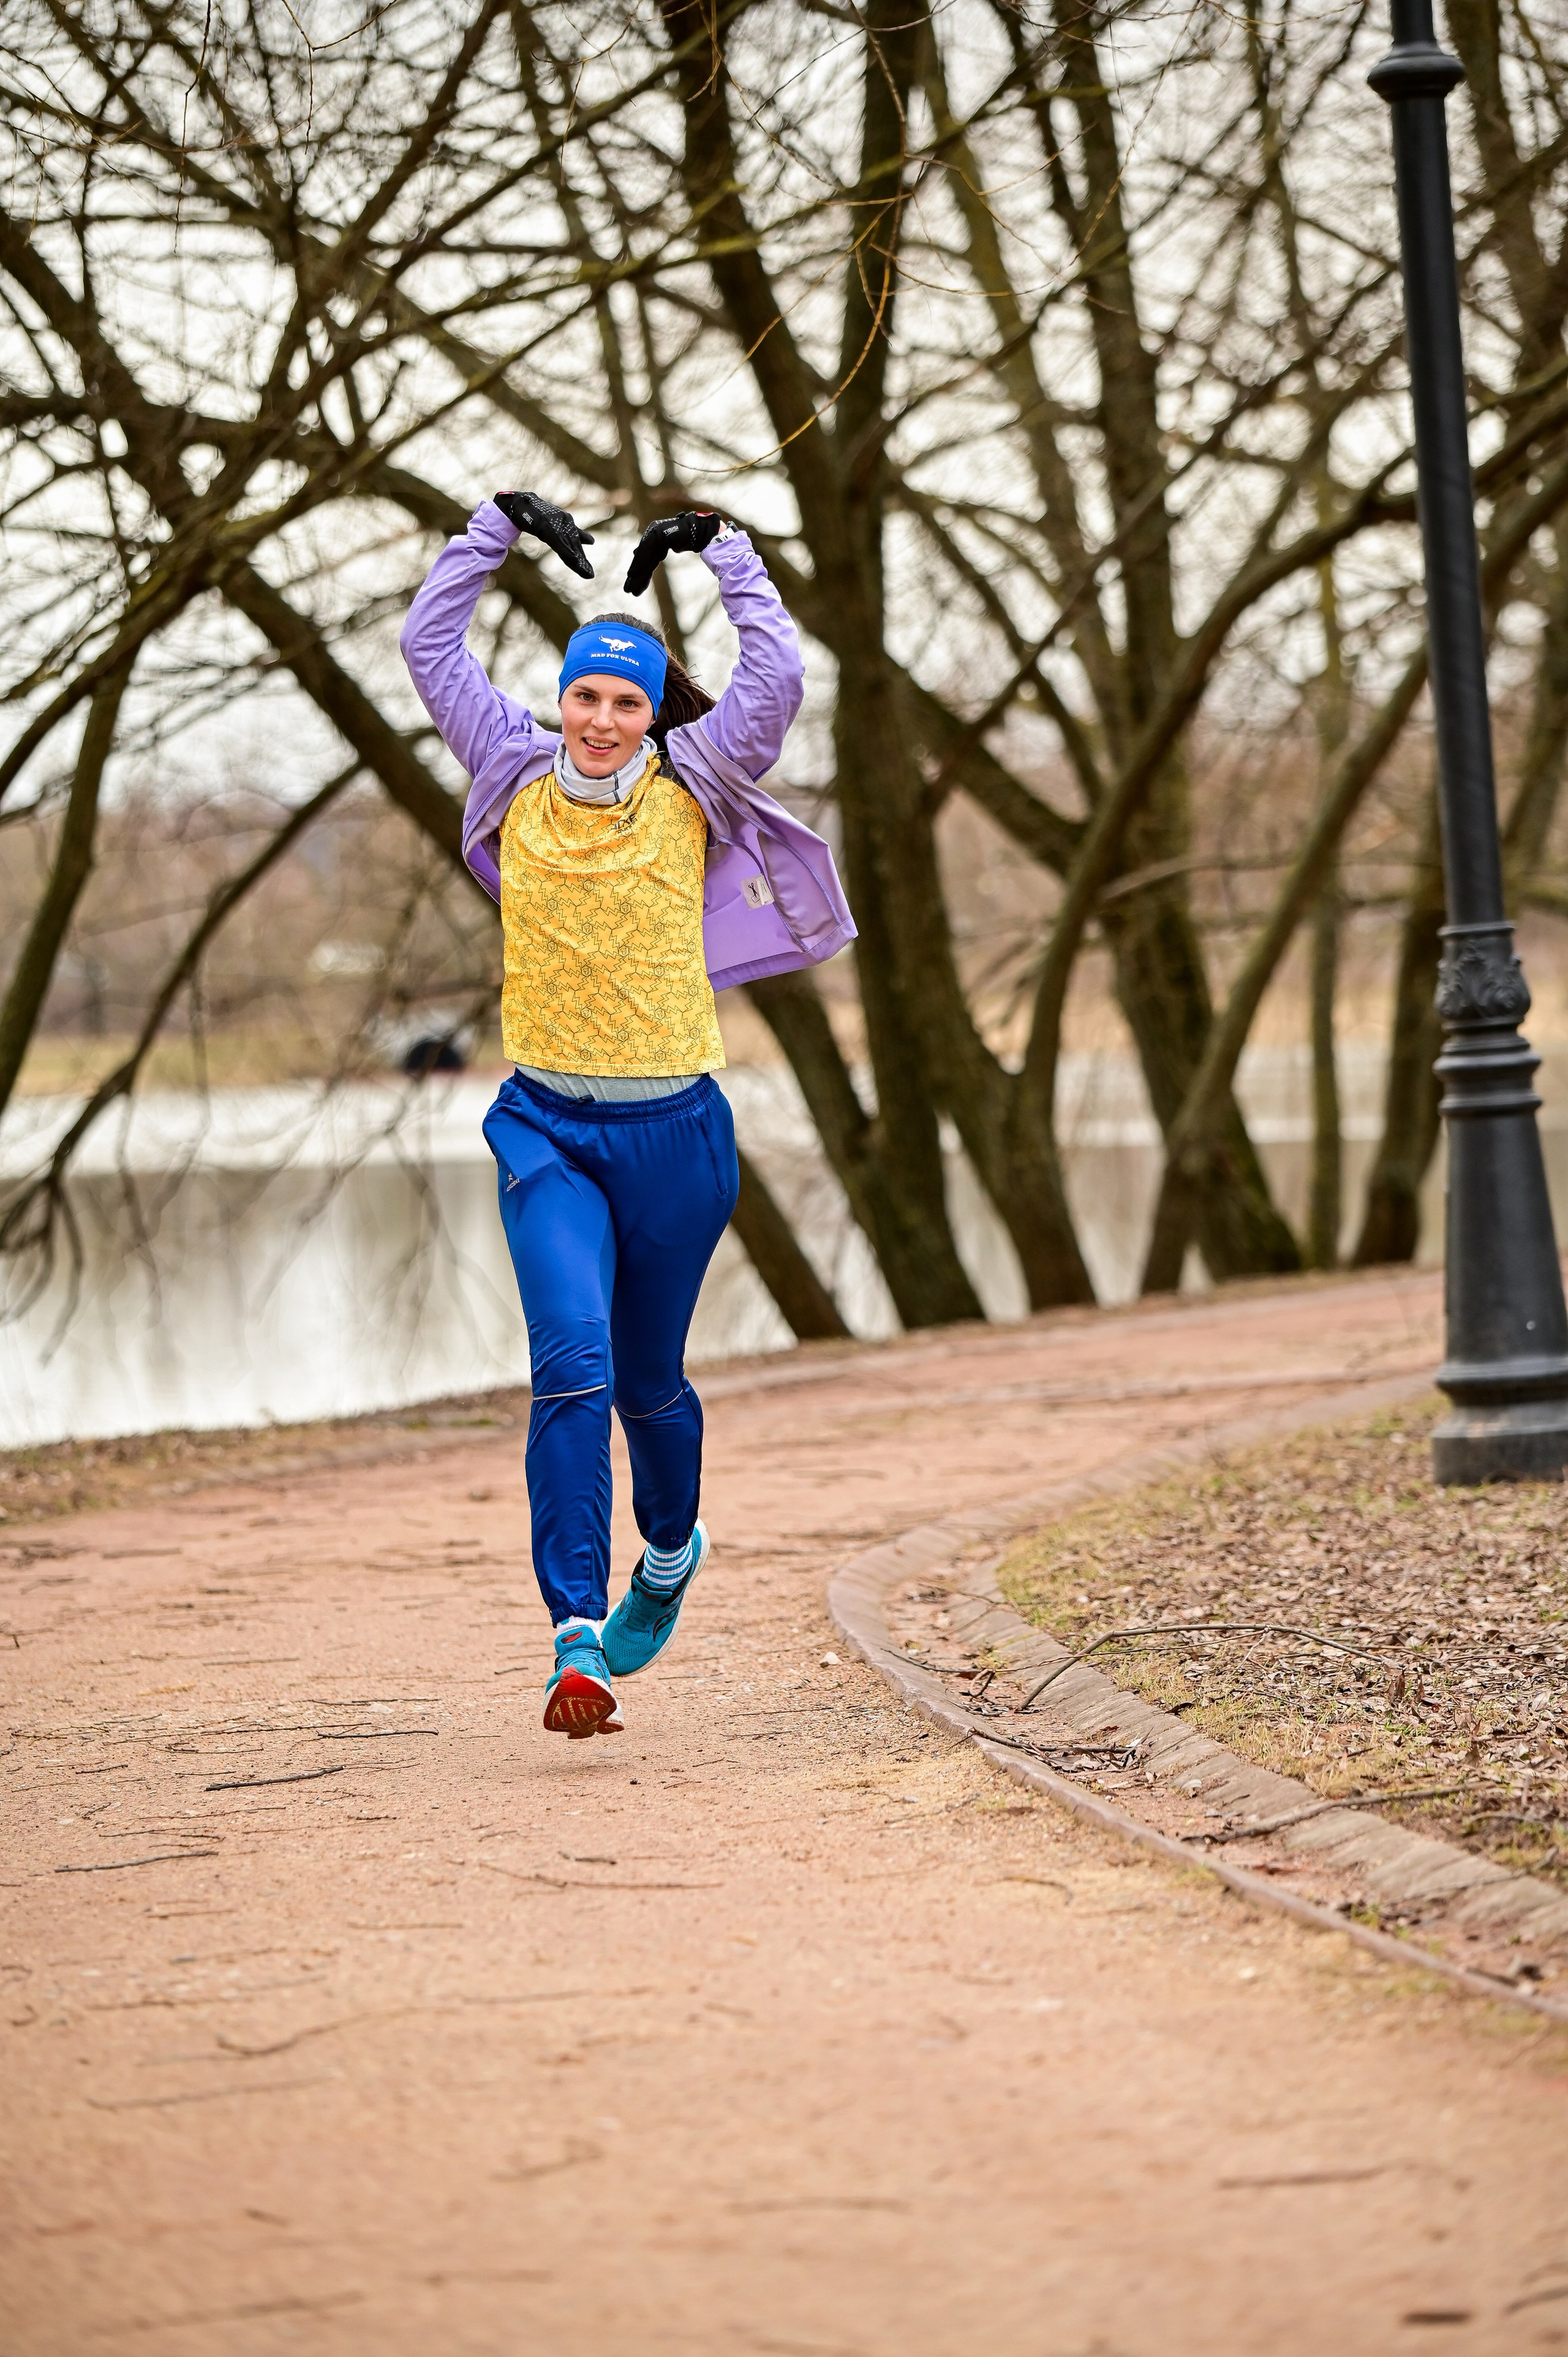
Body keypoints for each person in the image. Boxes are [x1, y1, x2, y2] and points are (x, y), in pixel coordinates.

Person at [400, 493, 854, 1739]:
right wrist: (492, 531)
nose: (601, 721)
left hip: (675, 1142)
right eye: (585, 697)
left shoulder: (695, 782)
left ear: (653, 714)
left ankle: (668, 1551)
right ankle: (573, 1634)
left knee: (648, 1384)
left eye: (625, 703)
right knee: (571, 1370)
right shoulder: (509, 767)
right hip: (545, 1129)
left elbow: (777, 673)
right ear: (560, 700)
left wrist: (725, 551)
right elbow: (429, 647)